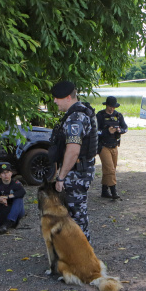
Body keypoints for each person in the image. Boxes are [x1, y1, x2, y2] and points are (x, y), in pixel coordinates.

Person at [48, 80, 98, 241]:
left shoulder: (75, 118)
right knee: (75, 215)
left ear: (68, 97)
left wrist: (61, 177)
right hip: (79, 171)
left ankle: (83, 259)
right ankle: (77, 255)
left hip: (76, 174)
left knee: (76, 218)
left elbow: (73, 150)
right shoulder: (79, 112)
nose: (54, 101)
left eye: (57, 98)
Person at [96, 96, 128, 200]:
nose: (112, 109)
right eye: (110, 106)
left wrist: (120, 130)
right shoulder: (100, 116)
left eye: (113, 107)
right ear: (106, 105)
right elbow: (94, 131)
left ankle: (104, 191)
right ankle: (114, 192)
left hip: (114, 145)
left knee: (111, 168)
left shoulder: (118, 115)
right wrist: (107, 131)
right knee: (110, 169)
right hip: (103, 146)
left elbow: (125, 128)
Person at [0, 162, 26, 234]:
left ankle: (8, 223)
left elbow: (22, 192)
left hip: (14, 213)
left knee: (19, 198)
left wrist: (7, 197)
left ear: (11, 173)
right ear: (0, 175)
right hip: (2, 210)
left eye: (7, 172)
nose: (6, 175)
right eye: (3, 173)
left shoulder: (16, 183)